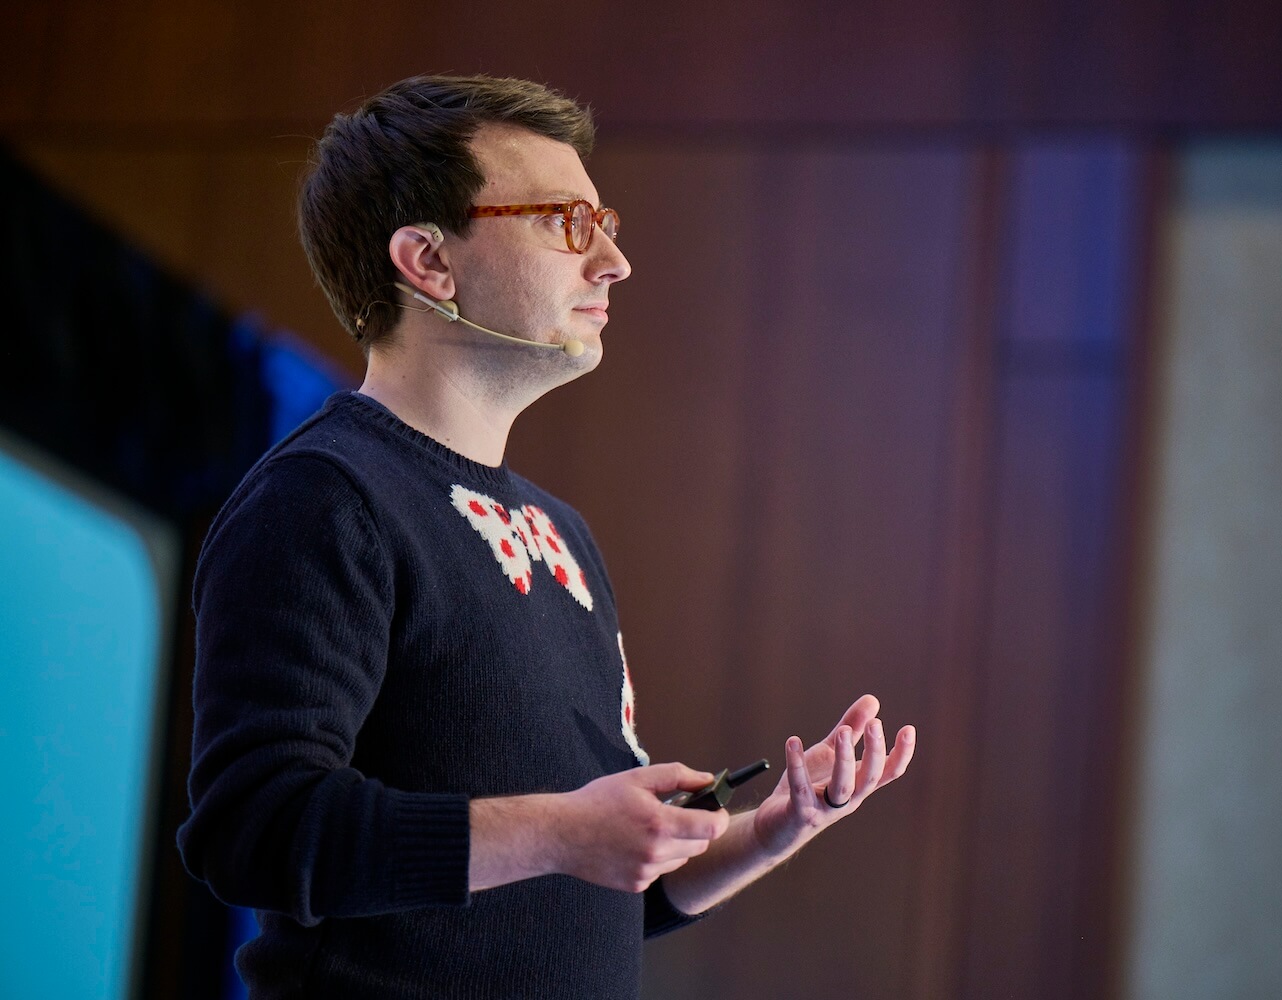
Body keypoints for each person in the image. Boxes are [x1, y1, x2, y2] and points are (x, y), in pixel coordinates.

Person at [177, 74, 916, 999]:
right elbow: (255, 830)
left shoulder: (561, 532)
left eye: (605, 222)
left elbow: (580, 894)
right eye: (567, 221)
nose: (612, 262)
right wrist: (562, 830)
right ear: (429, 264)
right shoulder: (323, 500)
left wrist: (767, 829)